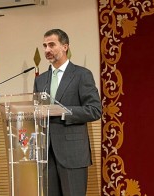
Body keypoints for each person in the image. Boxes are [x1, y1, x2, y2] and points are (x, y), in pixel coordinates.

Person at [33, 29, 102, 196]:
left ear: (65, 47)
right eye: (44, 46)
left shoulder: (81, 75)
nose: (47, 50)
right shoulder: (40, 79)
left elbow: (94, 110)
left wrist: (62, 111)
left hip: (73, 153)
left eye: (51, 45)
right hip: (46, 154)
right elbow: (37, 111)